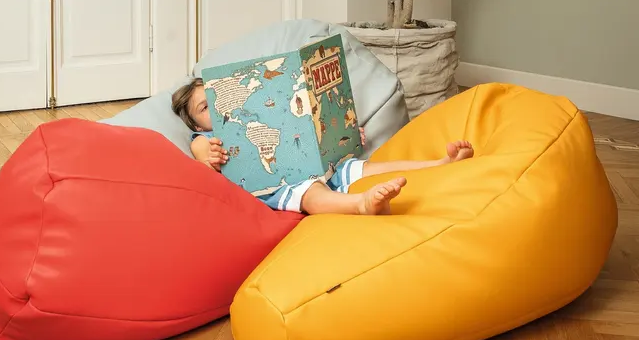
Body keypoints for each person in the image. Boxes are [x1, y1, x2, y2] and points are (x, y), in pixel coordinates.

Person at [172, 78, 473, 217]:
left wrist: (343, 134)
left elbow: (303, 130)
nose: (215, 109)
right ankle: (361, 205)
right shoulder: (204, 138)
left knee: (364, 168)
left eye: (217, 99)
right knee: (309, 193)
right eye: (204, 108)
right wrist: (207, 155)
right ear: (198, 124)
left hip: (317, 165)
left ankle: (437, 165)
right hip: (276, 184)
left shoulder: (259, 114)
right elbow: (200, 155)